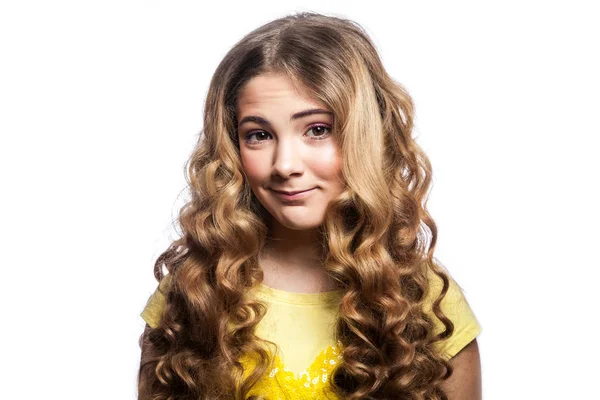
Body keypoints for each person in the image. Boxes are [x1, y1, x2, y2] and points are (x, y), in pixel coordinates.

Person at [138, 11, 482, 400]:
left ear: (363, 136)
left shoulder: (425, 301)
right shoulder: (194, 292)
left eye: (317, 130)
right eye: (259, 135)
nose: (285, 165)